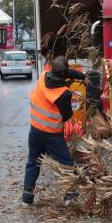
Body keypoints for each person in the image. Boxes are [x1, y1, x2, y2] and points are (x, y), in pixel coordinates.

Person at [22, 56, 90, 205]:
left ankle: (26, 199)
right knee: (65, 163)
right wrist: (70, 86)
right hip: (52, 134)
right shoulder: (64, 93)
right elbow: (67, 115)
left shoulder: (43, 76)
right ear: (63, 74)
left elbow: (64, 72)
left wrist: (81, 76)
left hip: (35, 130)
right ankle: (70, 197)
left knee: (33, 162)